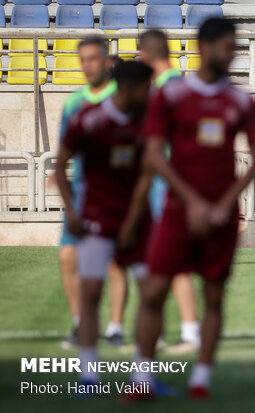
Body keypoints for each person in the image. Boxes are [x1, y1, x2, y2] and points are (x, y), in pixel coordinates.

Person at [128, 17, 255, 401]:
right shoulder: (169, 96)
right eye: (228, 47)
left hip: (221, 215)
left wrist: (220, 205)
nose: (233, 54)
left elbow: (254, 160)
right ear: (205, 47)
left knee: (215, 295)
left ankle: (201, 379)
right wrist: (193, 202)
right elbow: (154, 153)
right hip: (176, 211)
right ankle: (142, 381)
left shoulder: (240, 99)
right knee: (153, 290)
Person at [55, 61, 154, 387]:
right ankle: (88, 375)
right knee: (91, 293)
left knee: (151, 294)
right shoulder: (88, 118)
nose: (149, 94)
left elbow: (146, 174)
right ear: (127, 88)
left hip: (136, 222)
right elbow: (59, 168)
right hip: (96, 221)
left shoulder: (147, 122)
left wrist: (132, 217)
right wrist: (72, 212)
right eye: (145, 88)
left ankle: (143, 378)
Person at [56, 37, 129, 347]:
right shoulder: (74, 104)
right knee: (68, 256)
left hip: (117, 195)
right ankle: (79, 322)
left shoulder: (124, 100)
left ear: (105, 62)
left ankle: (114, 328)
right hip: (82, 195)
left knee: (115, 263)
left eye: (93, 59)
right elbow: (64, 154)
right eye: (82, 60)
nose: (87, 66)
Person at [138, 29, 201, 349]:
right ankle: (171, 333)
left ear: (144, 58)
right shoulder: (186, 86)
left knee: (164, 261)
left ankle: (183, 332)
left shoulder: (162, 93)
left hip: (166, 187)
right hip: (180, 184)